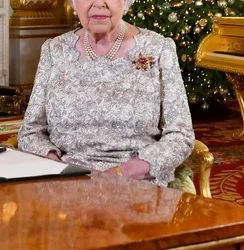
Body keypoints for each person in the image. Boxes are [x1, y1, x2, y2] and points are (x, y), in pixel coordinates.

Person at [17, 0, 195, 187]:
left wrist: (118, 174)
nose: (99, 4)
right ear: (74, 4)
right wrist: (57, 166)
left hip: (136, 182)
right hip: (66, 182)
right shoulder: (54, 50)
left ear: (126, 3)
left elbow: (180, 136)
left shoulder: (158, 49)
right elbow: (30, 133)